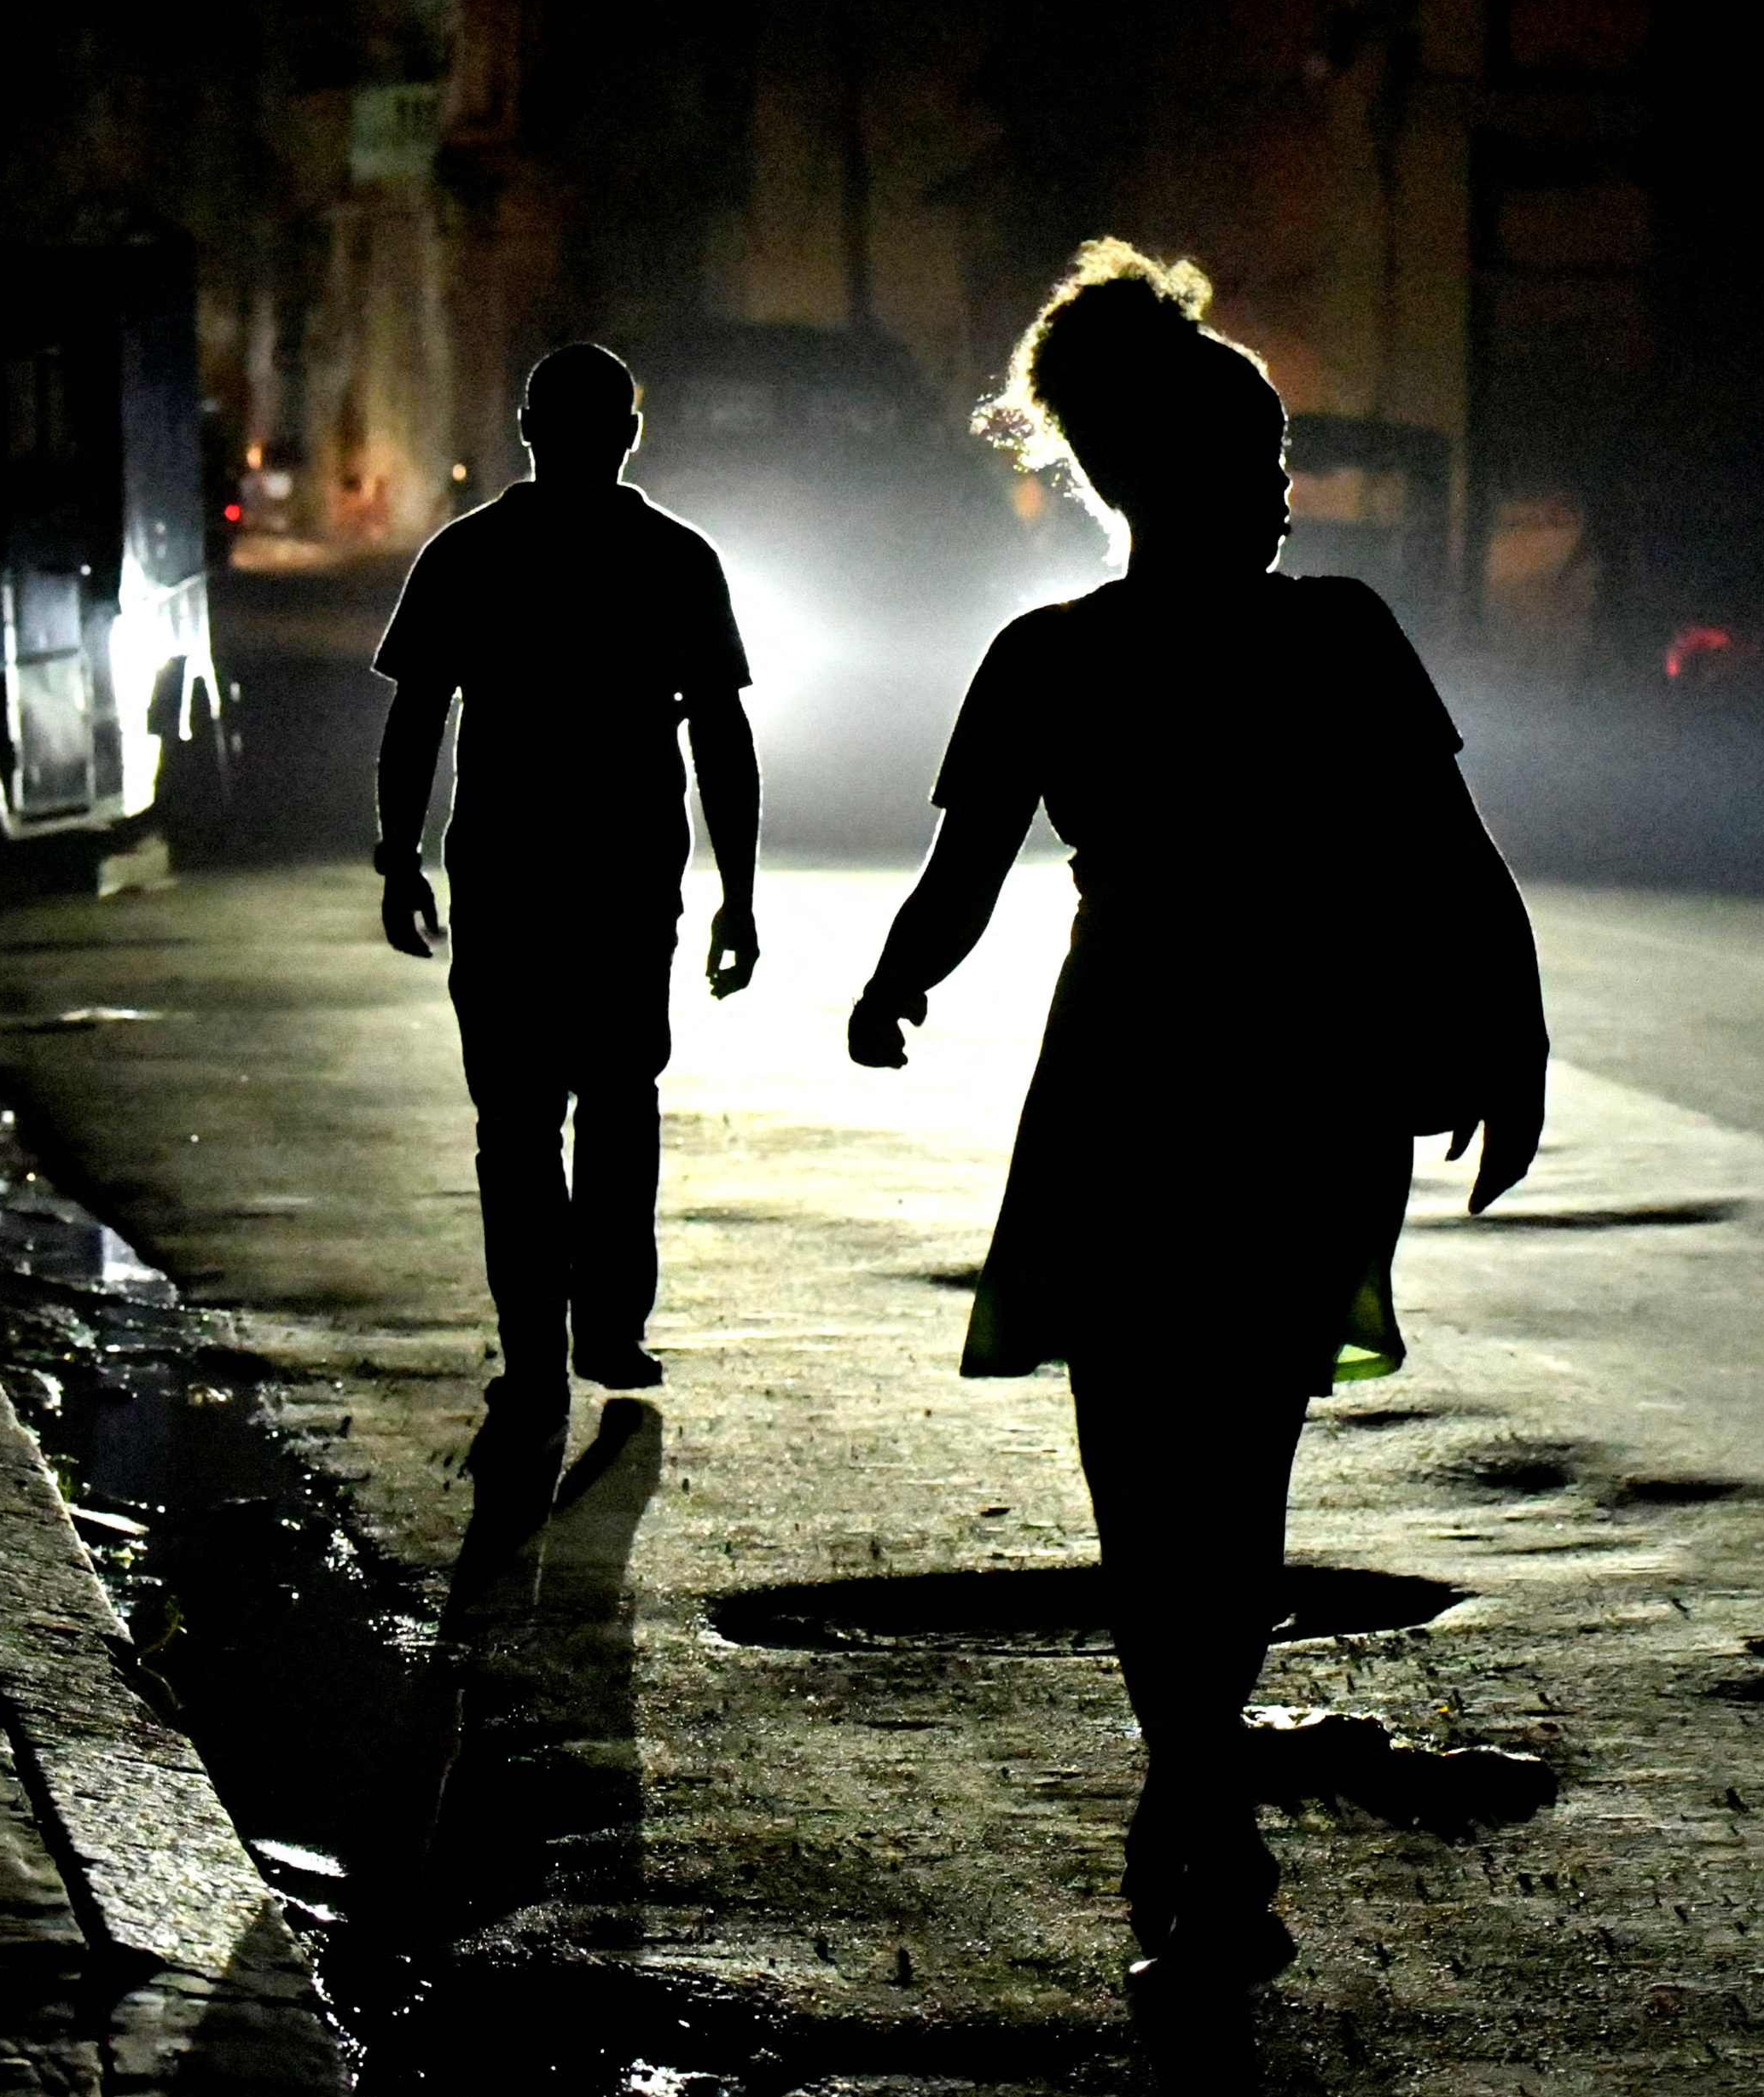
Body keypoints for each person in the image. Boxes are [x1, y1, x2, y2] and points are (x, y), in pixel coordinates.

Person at [847, 241, 1546, 1993]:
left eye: (1282, 455)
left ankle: (1187, 1771)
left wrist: (902, 976)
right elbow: (1448, 864)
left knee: (1176, 1458)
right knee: (1219, 1461)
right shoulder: (1309, 641)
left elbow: (966, 883)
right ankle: (1192, 1773)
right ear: (1154, 476)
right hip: (1275, 1082)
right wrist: (896, 974)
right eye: (1256, 455)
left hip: (1154, 1077)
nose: (1285, 486)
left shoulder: (1085, 653)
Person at [374, 343, 763, 1504]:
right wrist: (739, 890)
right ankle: (608, 1323)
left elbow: (415, 723)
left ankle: (539, 1349)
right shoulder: (671, 559)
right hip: (626, 872)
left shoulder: (472, 555)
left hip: (505, 870)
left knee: (516, 1117)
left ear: (525, 427)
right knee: (618, 1096)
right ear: (630, 433)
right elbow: (721, 740)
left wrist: (398, 858)